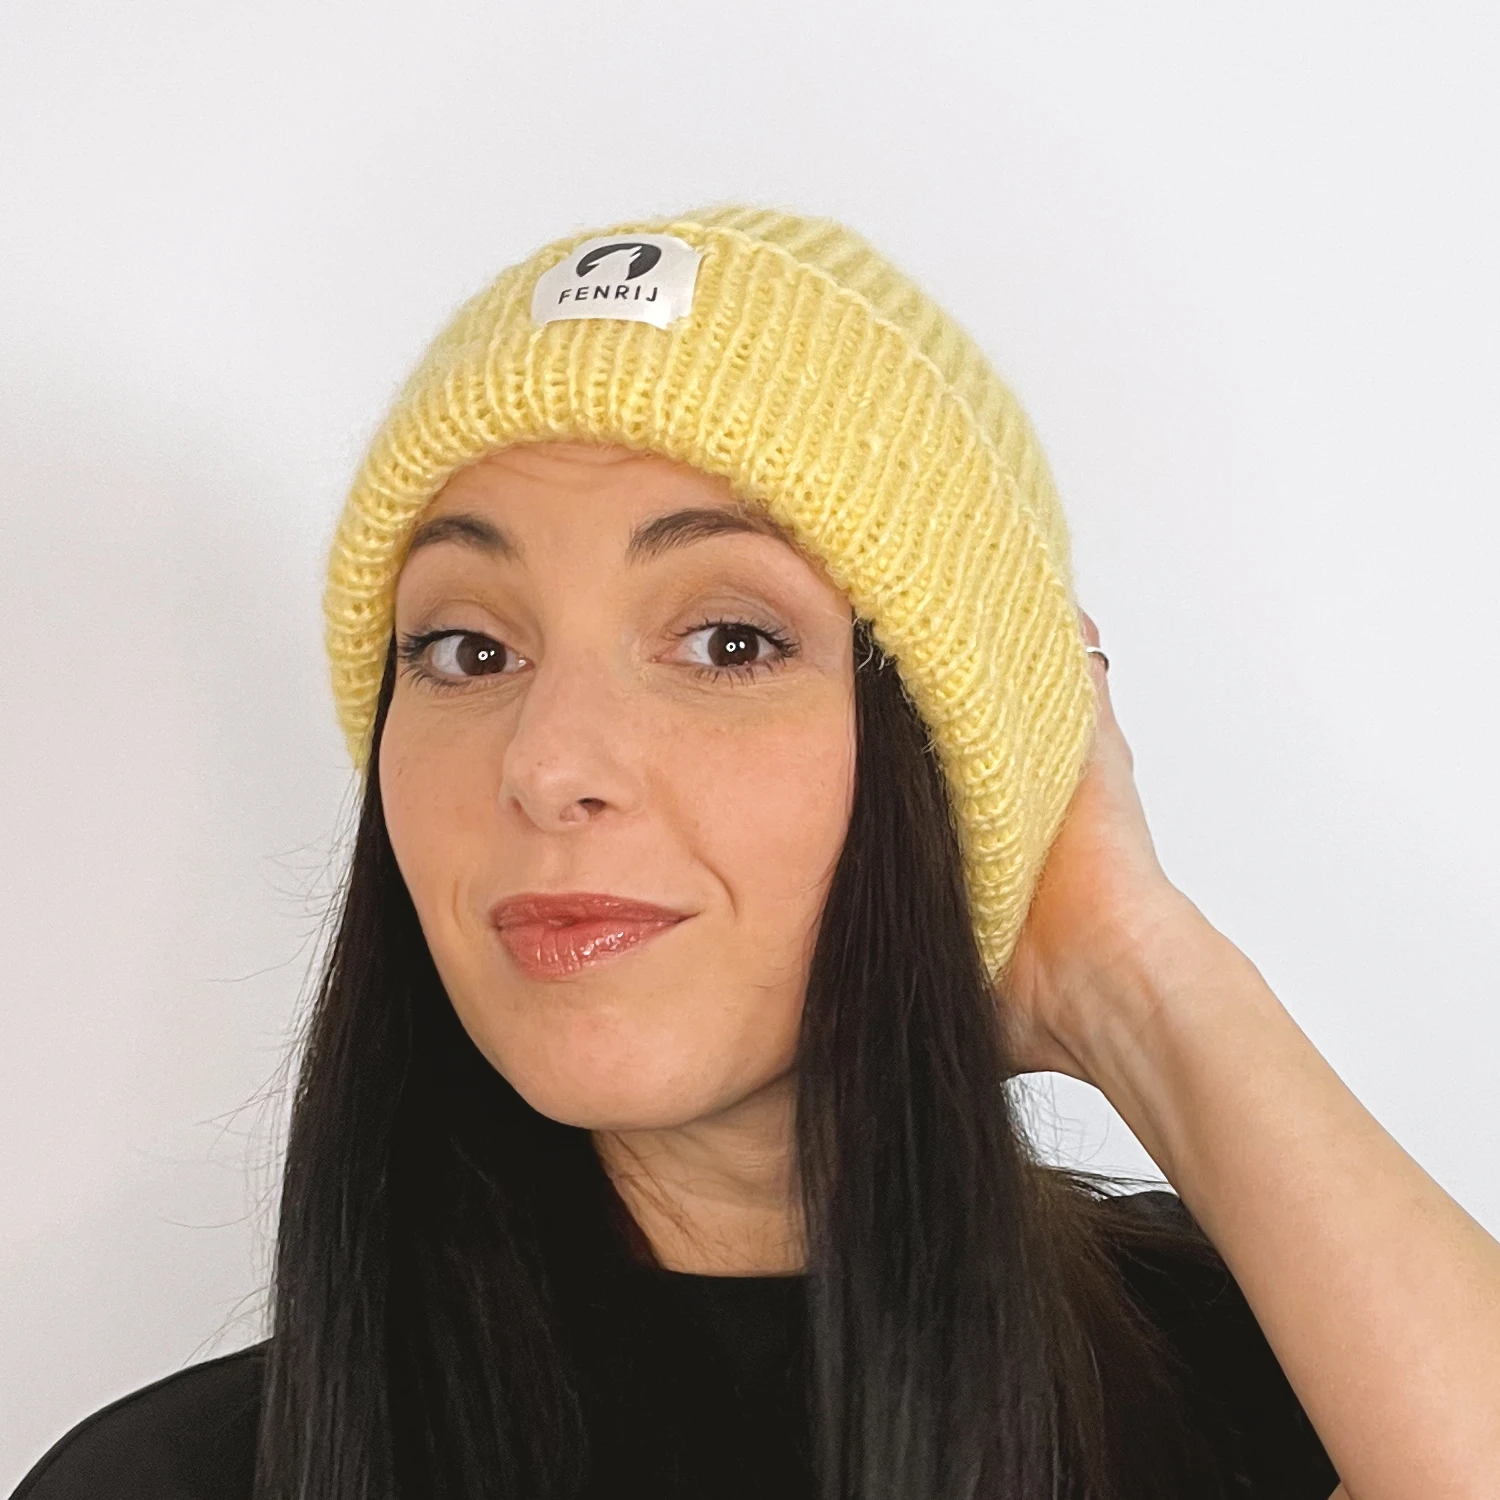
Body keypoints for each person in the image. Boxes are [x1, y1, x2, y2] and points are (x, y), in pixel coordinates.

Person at [12, 205, 1499, 1500]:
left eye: (729, 640)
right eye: (468, 649)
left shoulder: (1279, 1382)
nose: (547, 765)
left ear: (938, 753)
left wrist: (1131, 972)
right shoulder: (169, 1482)